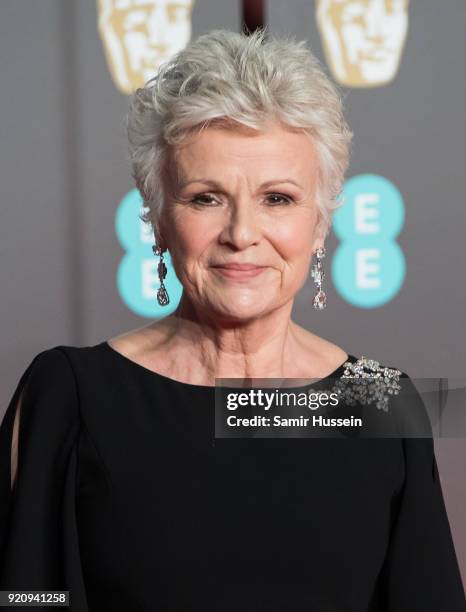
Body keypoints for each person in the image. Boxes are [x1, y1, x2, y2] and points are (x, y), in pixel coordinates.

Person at [0, 27, 464, 612]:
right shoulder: (70, 396)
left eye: (278, 198)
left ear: (319, 225)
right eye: (205, 197)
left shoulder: (381, 404)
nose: (242, 234)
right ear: (159, 219)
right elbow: (26, 595)